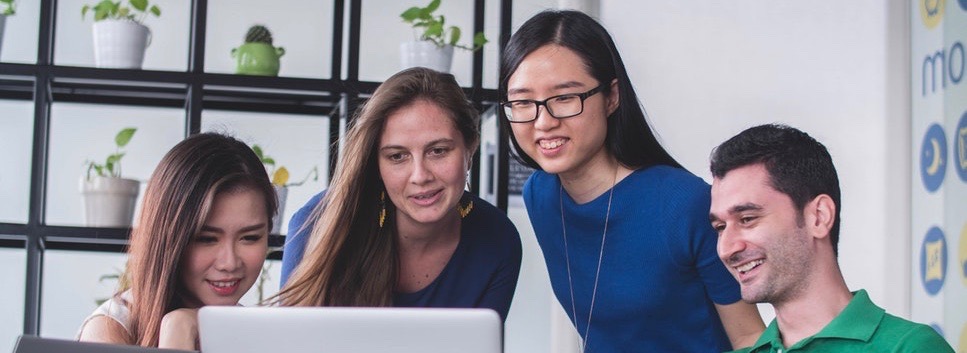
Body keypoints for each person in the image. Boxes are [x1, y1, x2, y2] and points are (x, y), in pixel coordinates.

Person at [499, 10, 764, 352]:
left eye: (564, 98)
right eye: (523, 102)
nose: (543, 121)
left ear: (611, 96)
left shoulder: (686, 204)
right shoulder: (541, 194)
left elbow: (749, 337)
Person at [276, 67, 522, 321]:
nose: (420, 175)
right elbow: (290, 342)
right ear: (376, 164)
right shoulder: (318, 222)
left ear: (470, 148)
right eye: (397, 156)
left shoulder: (498, 240)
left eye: (438, 151)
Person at [709, 124, 954, 352]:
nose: (727, 248)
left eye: (747, 219)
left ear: (818, 216)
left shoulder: (908, 347)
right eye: (720, 227)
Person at [77, 133, 277, 350]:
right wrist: (177, 331)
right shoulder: (109, 331)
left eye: (250, 237)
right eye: (206, 239)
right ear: (167, 239)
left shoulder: (254, 332)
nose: (229, 263)